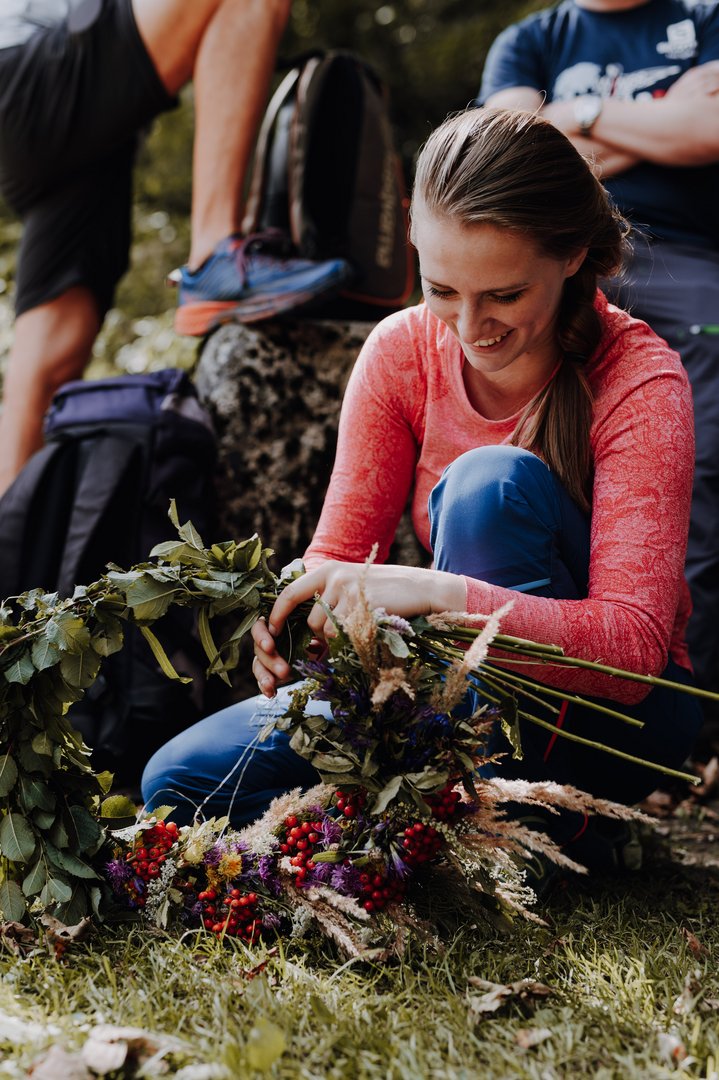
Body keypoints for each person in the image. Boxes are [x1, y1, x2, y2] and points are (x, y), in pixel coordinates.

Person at [142, 109, 702, 864]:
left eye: (504, 294)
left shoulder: (639, 382)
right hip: (443, 685)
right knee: (175, 784)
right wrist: (296, 621)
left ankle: (524, 826)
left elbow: (631, 653)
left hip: (614, 719)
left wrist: (440, 595)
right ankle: (483, 819)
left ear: (572, 255)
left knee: (488, 487)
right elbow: (337, 559)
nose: (469, 326)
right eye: (442, 289)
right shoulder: (403, 351)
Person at [476, 0, 719, 756]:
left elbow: (708, 131)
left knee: (704, 461)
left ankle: (695, 701)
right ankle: (528, 695)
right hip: (556, 258)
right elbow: (511, 165)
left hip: (685, 263)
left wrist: (575, 114)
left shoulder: (705, 17)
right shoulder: (529, 40)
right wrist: (656, 120)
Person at [0, 0, 351, 497]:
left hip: (80, 128)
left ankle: (12, 531)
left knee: (46, 374)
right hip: (32, 73)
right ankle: (212, 255)